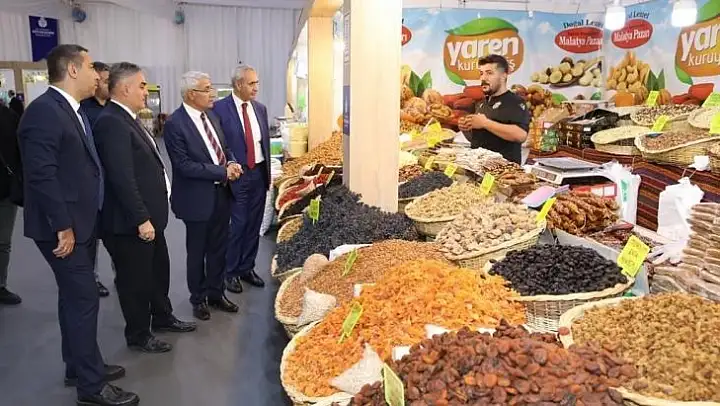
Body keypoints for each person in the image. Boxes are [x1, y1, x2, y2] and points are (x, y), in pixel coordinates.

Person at [17, 44, 138, 406]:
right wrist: (63, 226)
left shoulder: (72, 109)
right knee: (84, 299)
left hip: (80, 222)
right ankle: (91, 385)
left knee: (73, 297)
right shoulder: (44, 112)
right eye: (89, 68)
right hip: (62, 228)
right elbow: (41, 175)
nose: (98, 75)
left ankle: (79, 365)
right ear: (72, 70)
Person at [93, 62, 196, 354]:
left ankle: (162, 316)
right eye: (141, 86)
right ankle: (139, 334)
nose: (145, 92)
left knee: (157, 271)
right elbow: (121, 177)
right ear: (124, 88)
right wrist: (140, 218)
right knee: (135, 280)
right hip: (130, 223)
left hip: (150, 218)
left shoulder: (128, 118)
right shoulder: (111, 122)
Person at [163, 71, 242, 320]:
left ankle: (216, 293)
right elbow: (184, 165)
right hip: (196, 199)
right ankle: (198, 299)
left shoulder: (212, 116)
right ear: (190, 94)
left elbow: (224, 147)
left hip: (221, 194)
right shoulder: (175, 124)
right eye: (207, 89)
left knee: (219, 248)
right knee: (197, 251)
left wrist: (232, 162)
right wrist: (222, 171)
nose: (213, 94)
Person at [213, 64, 269, 293]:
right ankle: (231, 271)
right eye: (251, 83)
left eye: (257, 83)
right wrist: (229, 163)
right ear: (238, 84)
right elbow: (217, 143)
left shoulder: (260, 109)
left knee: (254, 223)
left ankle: (247, 267)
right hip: (237, 174)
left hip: (259, 173)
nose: (256, 87)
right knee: (238, 224)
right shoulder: (219, 109)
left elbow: (262, 143)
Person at [459, 54, 530, 164]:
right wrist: (465, 129)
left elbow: (521, 135)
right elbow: (477, 140)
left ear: (503, 76)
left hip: (503, 170)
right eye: (481, 73)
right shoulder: (481, 103)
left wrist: (485, 123)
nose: (483, 78)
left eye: (489, 73)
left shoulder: (515, 102)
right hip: (478, 167)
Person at [81, 61, 112, 298]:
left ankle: (122, 273)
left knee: (117, 234)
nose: (110, 84)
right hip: (93, 183)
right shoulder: (83, 111)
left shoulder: (115, 108)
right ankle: (92, 278)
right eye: (106, 81)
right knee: (91, 237)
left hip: (115, 181)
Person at [0, 104, 21, 305]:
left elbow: (19, 151)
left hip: (5, 191)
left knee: (3, 242)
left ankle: (0, 285)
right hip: (6, 187)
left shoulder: (9, 116)